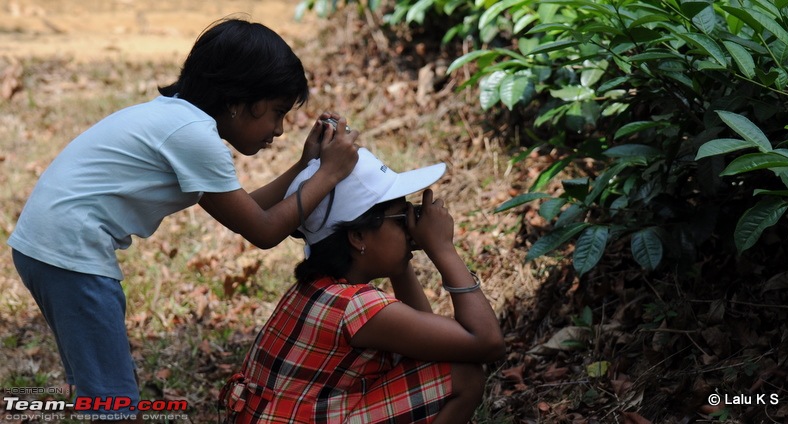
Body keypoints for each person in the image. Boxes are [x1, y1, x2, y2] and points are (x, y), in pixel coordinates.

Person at [7, 18, 359, 422]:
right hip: (69, 253)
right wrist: (329, 174)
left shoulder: (178, 121)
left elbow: (249, 211)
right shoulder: (193, 136)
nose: (278, 130)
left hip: (48, 246)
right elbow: (263, 231)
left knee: (102, 392)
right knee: (116, 405)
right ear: (236, 99)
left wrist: (306, 165)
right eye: (276, 112)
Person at [219, 147, 505, 423]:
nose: (411, 227)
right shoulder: (357, 307)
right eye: (399, 219)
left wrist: (400, 263)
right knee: (463, 374)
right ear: (357, 236)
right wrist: (443, 249)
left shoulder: (317, 289)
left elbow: (428, 346)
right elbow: (486, 343)